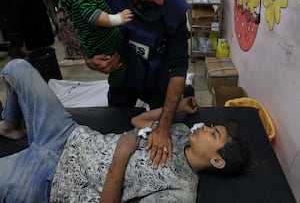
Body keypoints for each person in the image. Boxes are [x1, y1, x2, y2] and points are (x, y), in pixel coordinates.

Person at [0, 59, 250, 202]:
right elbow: (138, 121)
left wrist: (122, 153)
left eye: (213, 134)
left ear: (217, 160)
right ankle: (9, 126)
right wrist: (173, 111)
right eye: (211, 127)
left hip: (50, 181)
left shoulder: (181, 191)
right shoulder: (181, 132)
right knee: (16, 68)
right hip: (67, 135)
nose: (205, 127)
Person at [85, 0, 189, 168]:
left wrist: (162, 128)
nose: (161, 0)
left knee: (166, 135)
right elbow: (84, 32)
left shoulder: (174, 9)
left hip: (158, 81)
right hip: (123, 79)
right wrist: (90, 60)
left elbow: (179, 67)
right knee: (116, 133)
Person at [41, 0, 133, 87]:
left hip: (94, 43)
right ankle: (117, 85)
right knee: (119, 67)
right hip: (102, 42)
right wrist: (117, 18)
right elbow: (92, 15)